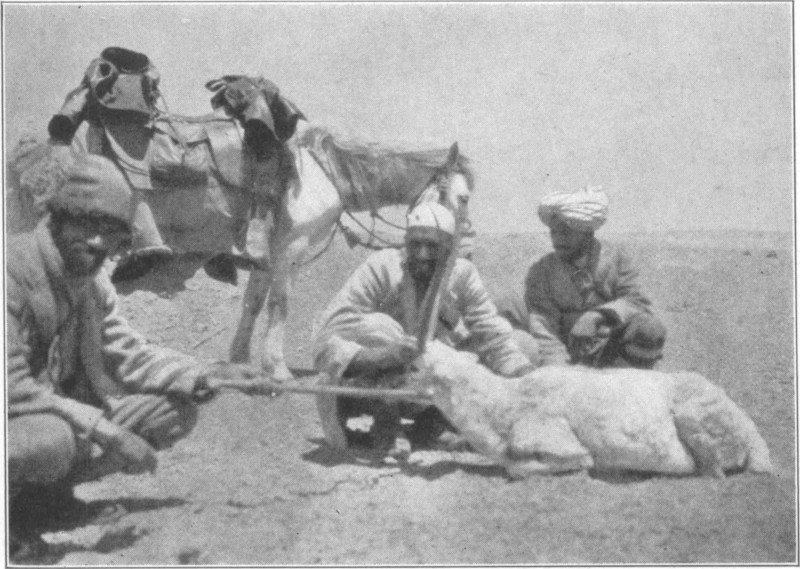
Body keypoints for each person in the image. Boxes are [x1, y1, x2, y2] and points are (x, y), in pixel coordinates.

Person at [6, 155, 264, 559]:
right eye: (85, 225)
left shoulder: (91, 285)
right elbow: (12, 388)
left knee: (170, 411)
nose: (96, 242)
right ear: (57, 218)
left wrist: (208, 375)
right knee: (52, 440)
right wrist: (109, 433)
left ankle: (43, 502)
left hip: (55, 418)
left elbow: (127, 354)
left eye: (109, 232)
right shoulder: (11, 271)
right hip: (20, 419)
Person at [312, 202, 535, 457]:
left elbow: (493, 335)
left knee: (523, 345)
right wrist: (386, 354)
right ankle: (387, 423)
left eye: (433, 246)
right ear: (405, 242)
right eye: (415, 244)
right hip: (371, 386)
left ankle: (430, 427)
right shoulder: (382, 267)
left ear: (449, 250)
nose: (422, 254)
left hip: (430, 389)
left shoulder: (462, 274)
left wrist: (527, 378)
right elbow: (326, 339)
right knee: (381, 329)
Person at [497, 185, 666, 369]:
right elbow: (545, 330)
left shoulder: (618, 259)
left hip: (609, 347)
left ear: (588, 232)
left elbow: (637, 302)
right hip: (563, 350)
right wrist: (562, 375)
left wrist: (597, 315)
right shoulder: (541, 271)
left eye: (566, 232)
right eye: (554, 232)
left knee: (649, 328)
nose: (558, 240)